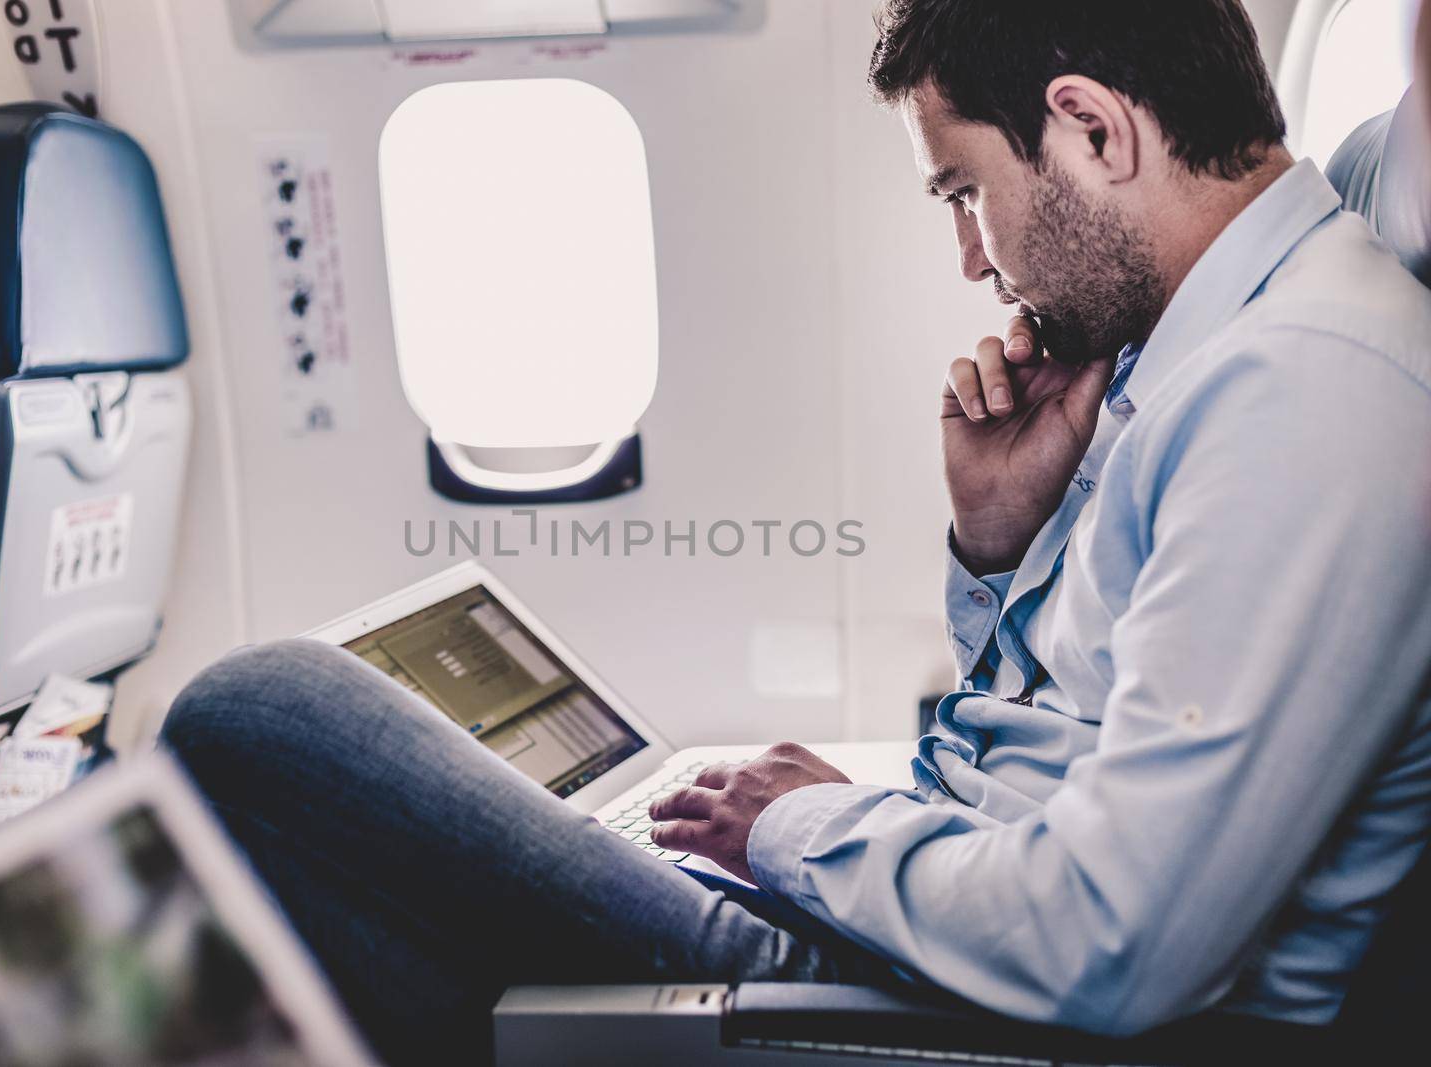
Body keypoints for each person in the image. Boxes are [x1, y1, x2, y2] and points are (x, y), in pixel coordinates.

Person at [162, 2, 1431, 1062]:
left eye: (964, 193)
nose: (971, 261)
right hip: (942, 927)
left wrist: (797, 830)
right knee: (327, 915)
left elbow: (1117, 937)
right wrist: (997, 549)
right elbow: (1065, 734)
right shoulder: (1196, 345)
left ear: (1092, 127)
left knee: (259, 718)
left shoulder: (1305, 384)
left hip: (990, 1021)